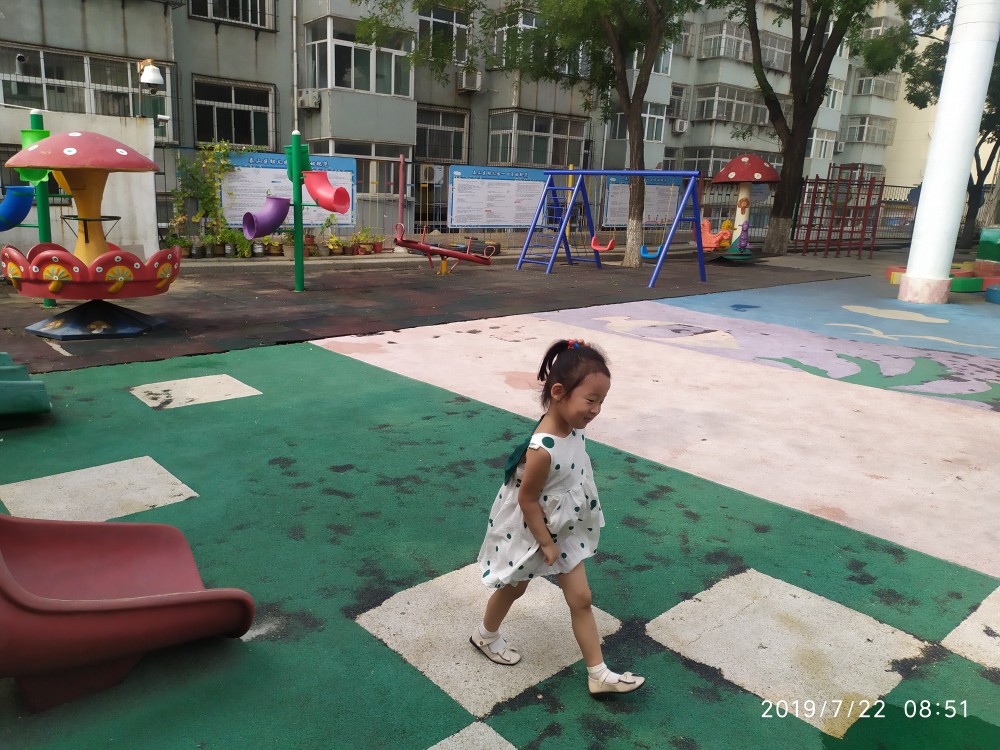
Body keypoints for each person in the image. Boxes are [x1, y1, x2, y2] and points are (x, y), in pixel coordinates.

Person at [471, 339, 645, 696]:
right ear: (559, 392)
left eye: (601, 401)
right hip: (533, 530)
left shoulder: (574, 426)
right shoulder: (542, 449)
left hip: (564, 527)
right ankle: (485, 635)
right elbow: (527, 499)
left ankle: (598, 674)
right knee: (515, 587)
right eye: (591, 400)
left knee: (581, 598)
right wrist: (546, 543)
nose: (596, 410)